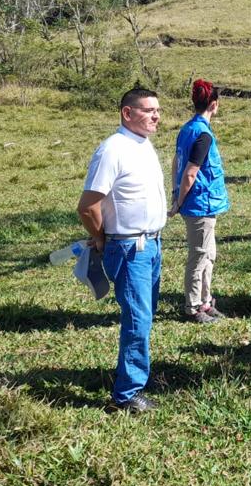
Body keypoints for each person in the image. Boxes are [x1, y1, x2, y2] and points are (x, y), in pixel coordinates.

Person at [77, 88, 167, 413]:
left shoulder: (143, 144)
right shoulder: (112, 149)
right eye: (148, 110)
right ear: (127, 114)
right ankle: (127, 394)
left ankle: (136, 375)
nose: (156, 116)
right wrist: (101, 238)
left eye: (158, 110)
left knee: (145, 314)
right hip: (130, 247)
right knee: (138, 318)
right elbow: (88, 206)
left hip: (151, 243)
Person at [169, 79, 230, 323]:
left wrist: (175, 193)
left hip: (201, 204)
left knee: (208, 255)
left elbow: (176, 162)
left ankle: (205, 301)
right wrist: (179, 201)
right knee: (198, 256)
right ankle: (192, 306)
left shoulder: (187, 128)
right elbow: (190, 172)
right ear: (214, 105)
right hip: (199, 205)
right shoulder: (203, 134)